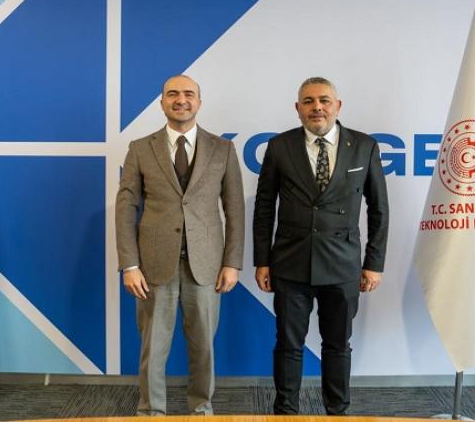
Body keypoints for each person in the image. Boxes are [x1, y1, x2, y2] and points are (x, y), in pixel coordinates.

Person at [253, 76, 389, 415]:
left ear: (337, 106)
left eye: (324, 100)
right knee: (288, 345)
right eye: (309, 101)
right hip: (290, 264)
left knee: (338, 345)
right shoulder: (280, 146)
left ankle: (338, 412)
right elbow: (264, 207)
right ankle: (286, 412)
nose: (317, 107)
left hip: (343, 265)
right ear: (297, 108)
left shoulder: (364, 146)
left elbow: (379, 209)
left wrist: (374, 264)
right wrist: (262, 260)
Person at [116, 74, 244, 416]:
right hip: (153, 266)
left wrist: (232, 263)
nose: (181, 100)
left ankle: (201, 409)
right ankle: (151, 412)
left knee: (204, 348)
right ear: (162, 103)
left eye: (188, 94)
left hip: (207, 266)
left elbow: (234, 209)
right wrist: (129, 265)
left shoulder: (223, 149)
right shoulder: (140, 148)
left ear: (199, 102)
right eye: (172, 94)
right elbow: (125, 208)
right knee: (153, 347)